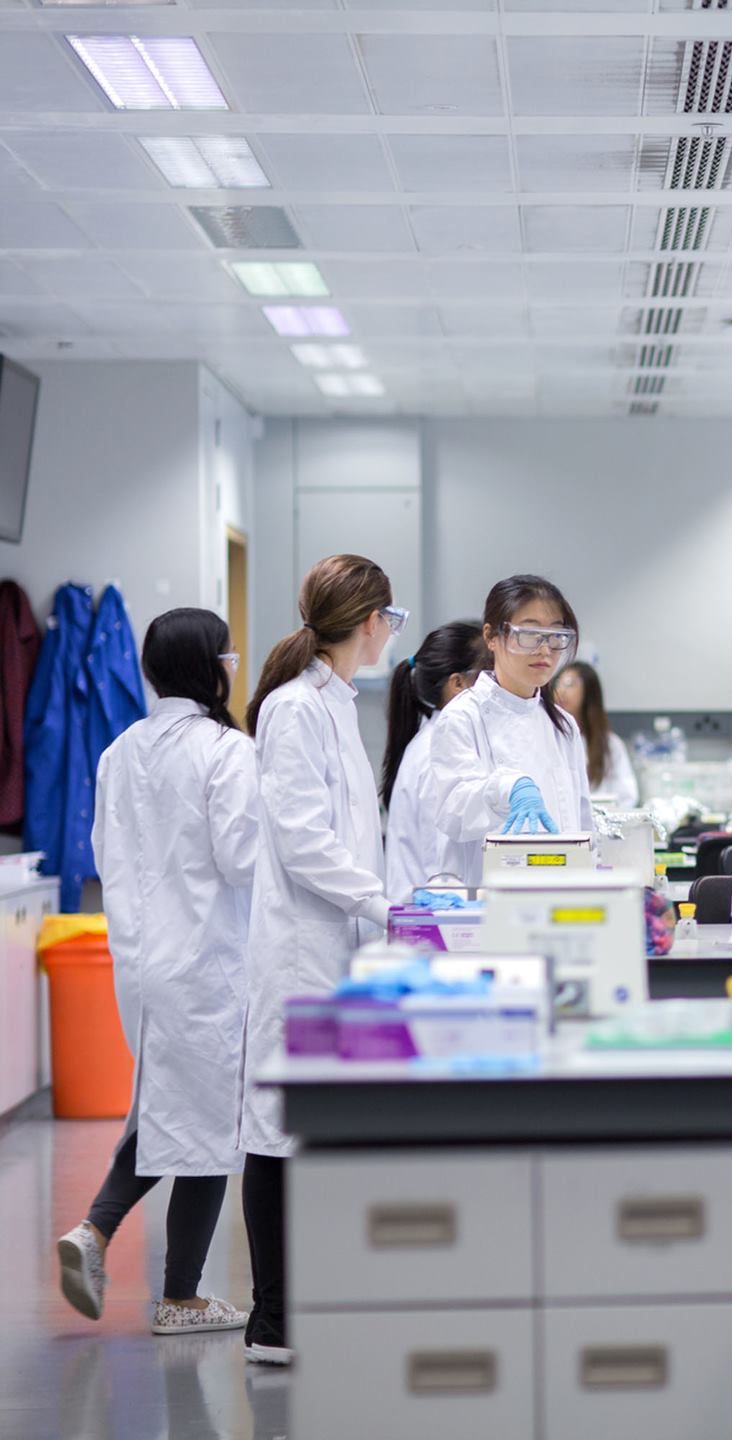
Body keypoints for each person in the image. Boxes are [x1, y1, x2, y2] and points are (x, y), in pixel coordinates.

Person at [55, 609, 258, 1337]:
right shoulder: (226, 751)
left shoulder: (119, 752)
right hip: (205, 963)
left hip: (140, 964)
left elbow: (107, 857)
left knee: (171, 1111)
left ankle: (99, 1235)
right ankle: (178, 1295)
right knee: (206, 1126)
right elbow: (241, 861)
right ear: (213, 663)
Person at [242, 554, 402, 1365]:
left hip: (336, 942)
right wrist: (380, 902)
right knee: (277, 1127)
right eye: (390, 618)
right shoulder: (295, 710)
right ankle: (273, 1322)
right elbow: (303, 842)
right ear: (369, 621)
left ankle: (313, 1301)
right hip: (302, 946)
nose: (389, 633)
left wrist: (382, 904)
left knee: (318, 1121)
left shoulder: (335, 702)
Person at [423, 575, 595, 884]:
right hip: (488, 900)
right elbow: (452, 810)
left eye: (555, 634)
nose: (545, 649)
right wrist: (506, 788)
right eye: (528, 633)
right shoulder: (463, 717)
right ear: (491, 636)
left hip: (562, 898)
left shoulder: (563, 726)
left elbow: (581, 824)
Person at [380, 621, 485, 903]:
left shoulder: (440, 741)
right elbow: (439, 867)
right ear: (458, 684)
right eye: (488, 677)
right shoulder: (436, 752)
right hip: (434, 923)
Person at [551, 660, 638, 812]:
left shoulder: (610, 744)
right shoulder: (549, 737)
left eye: (570, 684)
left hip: (603, 825)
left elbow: (627, 796)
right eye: (558, 683)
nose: (561, 690)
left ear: (589, 692)